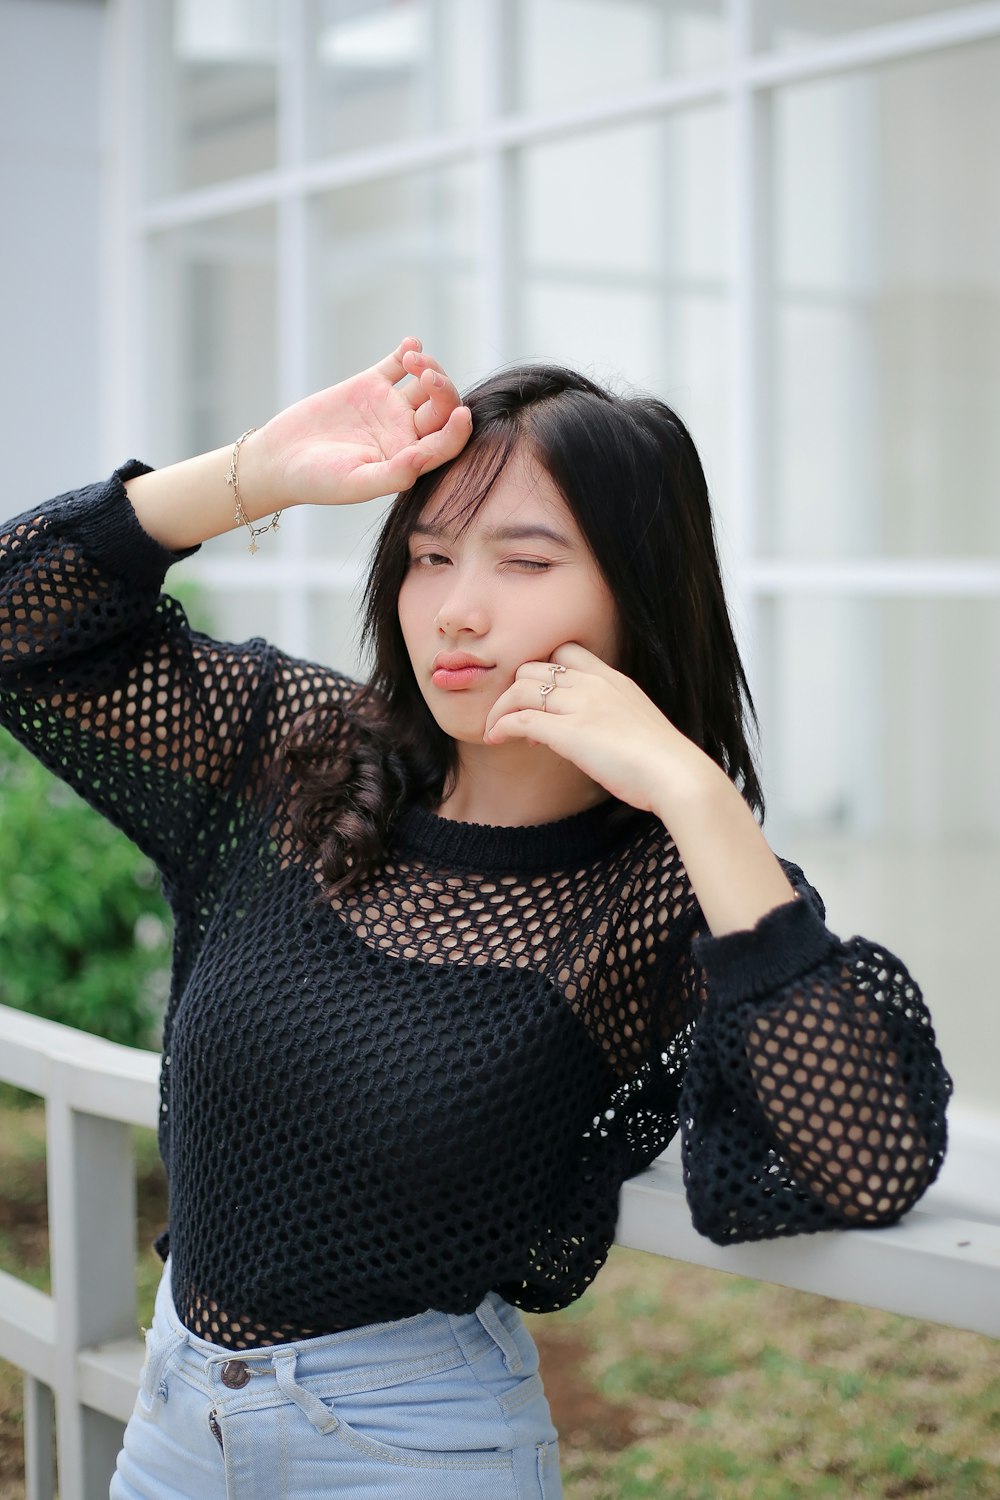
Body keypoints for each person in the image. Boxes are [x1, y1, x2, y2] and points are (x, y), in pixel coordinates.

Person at [0, 337, 951, 1499]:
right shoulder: (306, 759)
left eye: (524, 561)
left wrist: (695, 795)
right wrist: (266, 467)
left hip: (414, 1450)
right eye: (430, 557)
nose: (455, 610)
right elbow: (19, 622)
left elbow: (864, 1159)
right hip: (172, 1427)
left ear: (634, 593)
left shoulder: (654, 884)